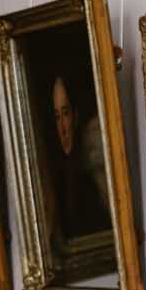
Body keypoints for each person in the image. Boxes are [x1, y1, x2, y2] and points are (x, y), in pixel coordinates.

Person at [48, 74, 110, 238]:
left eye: (66, 114)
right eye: (57, 117)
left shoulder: (92, 169)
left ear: (75, 116)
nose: (62, 128)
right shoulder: (55, 178)